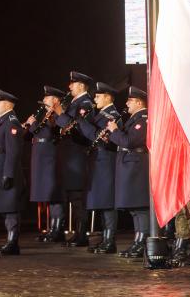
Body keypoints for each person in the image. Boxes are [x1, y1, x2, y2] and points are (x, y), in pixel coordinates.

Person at [77, 82, 122, 254]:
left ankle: (110, 240)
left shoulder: (112, 115)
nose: (95, 99)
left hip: (106, 161)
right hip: (98, 162)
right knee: (102, 202)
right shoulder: (100, 115)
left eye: (98, 96)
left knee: (108, 202)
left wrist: (83, 123)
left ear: (108, 97)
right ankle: (105, 238)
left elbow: (101, 138)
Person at [106, 86, 150, 259]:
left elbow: (130, 141)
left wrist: (115, 131)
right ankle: (138, 240)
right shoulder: (133, 118)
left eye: (130, 100)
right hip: (129, 165)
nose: (126, 103)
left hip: (136, 165)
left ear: (139, 102)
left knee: (140, 207)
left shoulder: (143, 119)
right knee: (134, 208)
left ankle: (142, 241)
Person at [53, 71, 95, 247]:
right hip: (69, 155)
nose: (69, 86)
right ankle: (78, 232)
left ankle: (82, 234)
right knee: (72, 195)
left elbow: (77, 128)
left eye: (72, 83)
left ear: (81, 86)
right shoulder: (73, 103)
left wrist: (61, 114)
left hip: (78, 154)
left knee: (78, 196)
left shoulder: (85, 103)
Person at [0, 89, 25, 256]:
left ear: (7, 104)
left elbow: (13, 151)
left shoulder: (11, 121)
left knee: (10, 208)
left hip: (5, 168)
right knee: (4, 207)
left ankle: (13, 242)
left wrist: (8, 173)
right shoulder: (2, 120)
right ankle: (10, 240)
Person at [25, 86, 66, 243]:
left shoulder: (57, 114)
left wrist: (34, 124)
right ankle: (51, 229)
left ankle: (58, 229)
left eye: (47, 98)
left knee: (54, 194)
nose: (44, 101)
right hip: (40, 158)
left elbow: (53, 132)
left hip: (50, 158)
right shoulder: (43, 114)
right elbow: (29, 136)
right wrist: (29, 125)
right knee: (47, 195)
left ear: (55, 100)